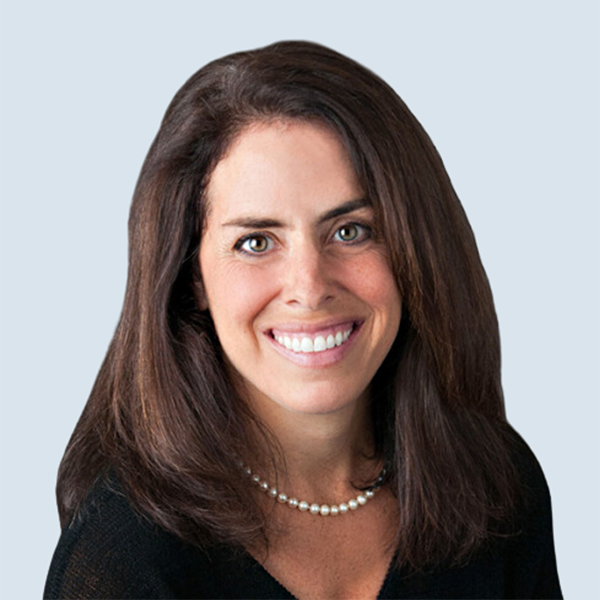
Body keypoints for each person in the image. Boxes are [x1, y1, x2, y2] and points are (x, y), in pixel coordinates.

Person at [44, 41, 563, 599]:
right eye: (256, 241)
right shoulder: (124, 554)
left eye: (350, 231)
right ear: (191, 277)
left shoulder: (495, 489)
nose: (310, 288)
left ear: (414, 248)